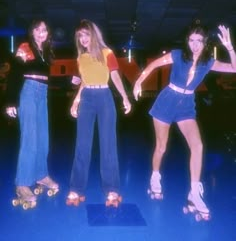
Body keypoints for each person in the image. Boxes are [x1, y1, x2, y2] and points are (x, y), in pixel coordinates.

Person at [133, 24, 236, 220]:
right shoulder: (178, 55)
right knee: (161, 147)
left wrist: (230, 47)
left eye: (199, 41)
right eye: (192, 40)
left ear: (205, 43)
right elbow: (154, 64)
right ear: (187, 41)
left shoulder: (209, 62)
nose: (195, 45)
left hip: (187, 105)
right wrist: (139, 81)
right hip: (167, 101)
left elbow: (234, 68)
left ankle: (194, 192)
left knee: (198, 146)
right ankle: (155, 178)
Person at [66, 19, 131, 207]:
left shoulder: (107, 53)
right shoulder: (81, 58)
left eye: (86, 34)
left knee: (108, 145)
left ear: (93, 34)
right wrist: (76, 100)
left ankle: (111, 189)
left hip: (104, 97)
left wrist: (125, 98)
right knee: (82, 145)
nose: (83, 39)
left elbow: (115, 76)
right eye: (80, 35)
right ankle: (76, 188)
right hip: (87, 98)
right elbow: (85, 81)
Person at [6, 19, 59, 208]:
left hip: (42, 95)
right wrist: (10, 101)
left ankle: (41, 175)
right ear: (32, 32)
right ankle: (22, 183)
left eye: (44, 30)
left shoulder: (46, 52)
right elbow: (14, 73)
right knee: (30, 140)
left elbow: (47, 79)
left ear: (47, 33)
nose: (40, 33)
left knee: (43, 138)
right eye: (37, 29)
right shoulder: (25, 46)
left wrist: (70, 80)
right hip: (28, 92)